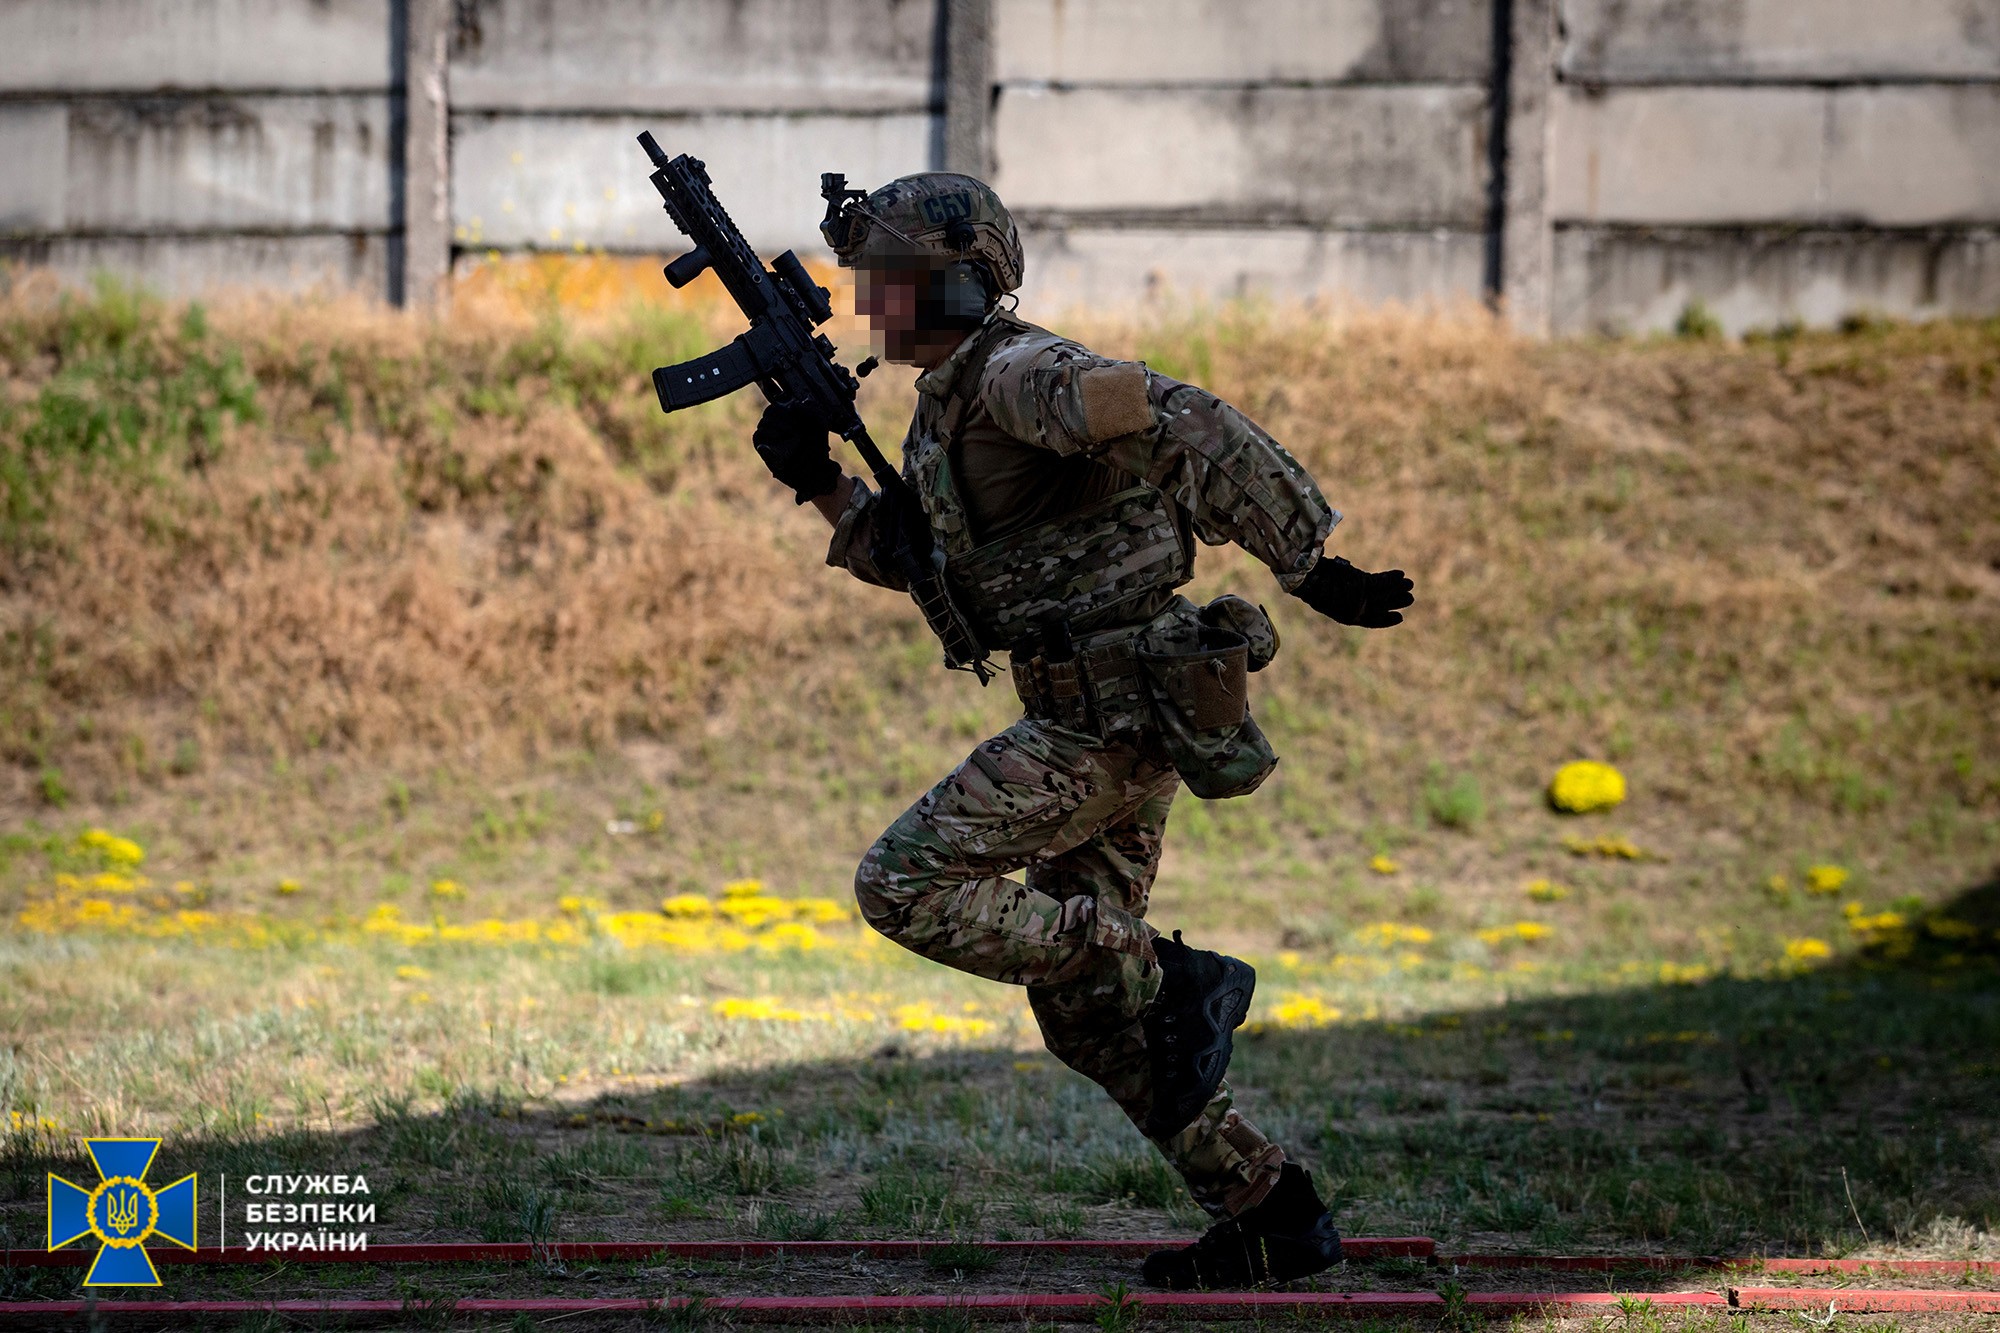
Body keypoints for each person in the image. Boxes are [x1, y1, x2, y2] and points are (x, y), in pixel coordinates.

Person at [749, 172, 1414, 1290]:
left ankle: (1172, 971)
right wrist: (817, 481)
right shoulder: (949, 404)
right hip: (1097, 713)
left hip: (1108, 717)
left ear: (954, 281)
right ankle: (1271, 1209)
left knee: (901, 885)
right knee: (1089, 1015)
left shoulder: (1020, 377)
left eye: (889, 280)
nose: (869, 304)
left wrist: (1307, 560)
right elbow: (939, 568)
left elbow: (1180, 417)